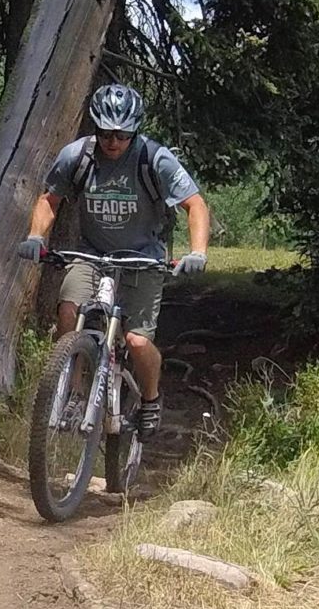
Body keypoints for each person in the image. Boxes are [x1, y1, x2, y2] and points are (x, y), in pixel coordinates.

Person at [17, 83, 209, 437]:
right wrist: (34, 237)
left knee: (136, 341)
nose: (113, 141)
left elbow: (194, 204)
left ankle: (150, 398)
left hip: (143, 258)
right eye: (105, 132)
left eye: (121, 134)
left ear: (133, 129)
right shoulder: (77, 155)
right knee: (69, 310)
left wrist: (198, 252)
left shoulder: (155, 158)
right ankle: (73, 392)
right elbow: (49, 199)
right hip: (92, 252)